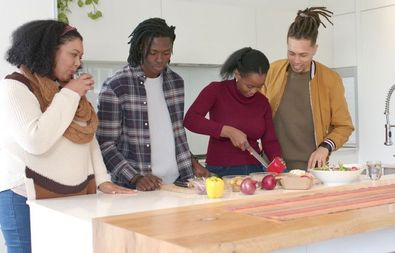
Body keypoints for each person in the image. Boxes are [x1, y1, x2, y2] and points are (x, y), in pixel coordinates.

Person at [0, 20, 133, 253]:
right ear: (49, 49)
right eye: (73, 54)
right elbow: (36, 141)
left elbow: (87, 135)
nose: (78, 63)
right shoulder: (15, 87)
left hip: (71, 197)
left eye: (80, 56)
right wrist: (70, 94)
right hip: (23, 196)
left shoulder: (65, 90)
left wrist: (103, 179)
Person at [97, 18, 208, 191]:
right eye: (153, 52)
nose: (160, 59)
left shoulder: (176, 82)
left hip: (178, 183)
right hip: (138, 188)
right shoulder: (117, 86)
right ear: (141, 48)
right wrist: (135, 178)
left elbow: (175, 134)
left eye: (166, 53)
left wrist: (193, 163)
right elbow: (105, 144)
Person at [261, 7, 354, 170]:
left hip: (313, 169)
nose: (296, 60)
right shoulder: (273, 71)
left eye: (303, 55)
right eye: (291, 53)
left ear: (315, 49)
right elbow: (256, 113)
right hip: (272, 166)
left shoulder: (330, 80)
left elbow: (344, 126)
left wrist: (325, 147)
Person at [184, 47, 283, 177]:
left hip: (255, 170)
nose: (254, 91)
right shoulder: (216, 90)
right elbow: (190, 120)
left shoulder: (263, 102)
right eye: (250, 86)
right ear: (237, 74)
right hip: (221, 170)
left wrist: (277, 159)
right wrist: (227, 131)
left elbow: (269, 140)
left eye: (259, 87)